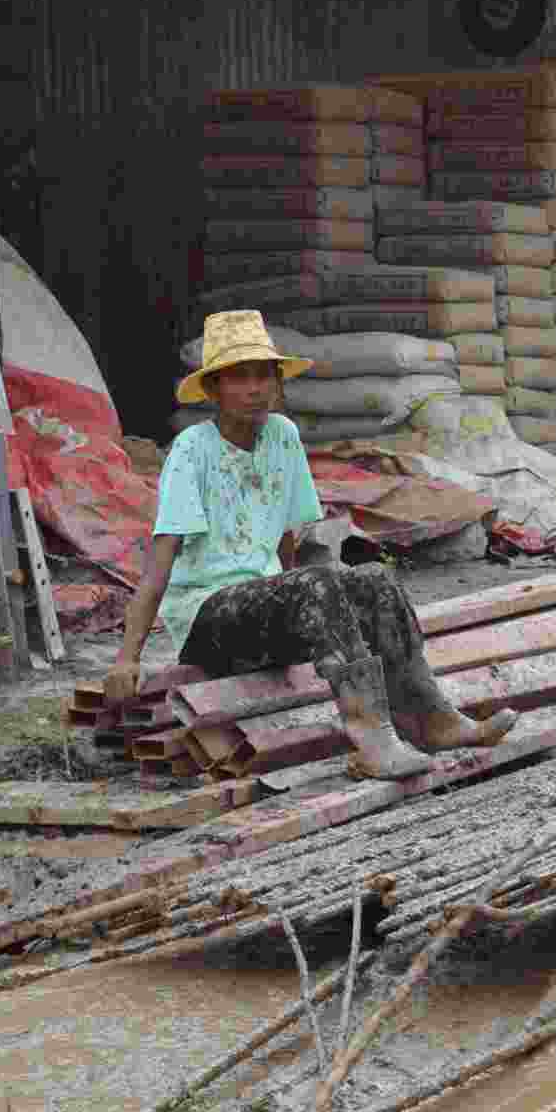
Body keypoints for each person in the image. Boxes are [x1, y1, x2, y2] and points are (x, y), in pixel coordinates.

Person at [103, 310, 517, 779]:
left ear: (279, 383)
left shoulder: (283, 436)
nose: (256, 388)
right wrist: (127, 658)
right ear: (213, 388)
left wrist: (318, 602)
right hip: (207, 618)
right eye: (239, 378)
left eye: (264, 375)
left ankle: (430, 716)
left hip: (267, 607)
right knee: (319, 581)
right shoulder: (191, 451)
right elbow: (160, 562)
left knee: (373, 578)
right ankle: (371, 739)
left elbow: (287, 541)